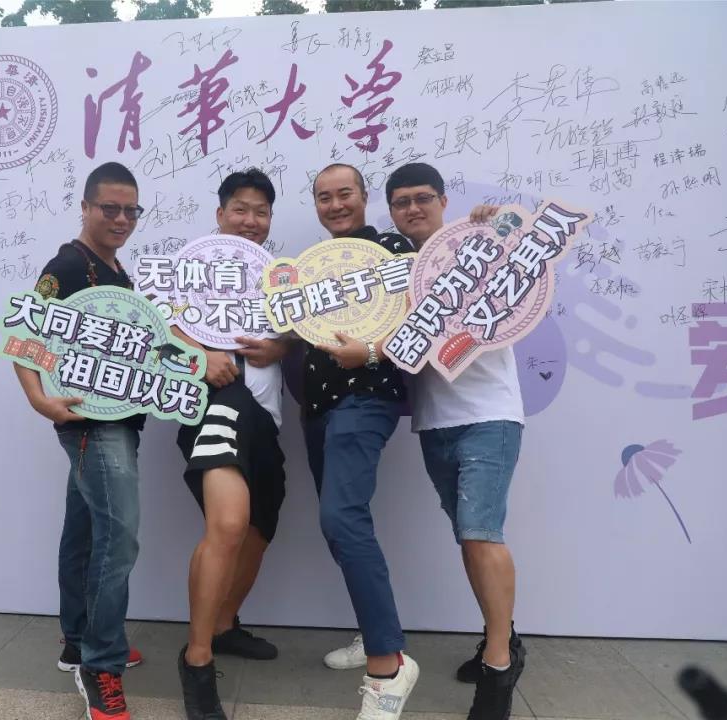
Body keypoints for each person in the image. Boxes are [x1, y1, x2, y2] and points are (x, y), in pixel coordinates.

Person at [386, 162, 526, 720]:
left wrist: (497, 228)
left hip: (489, 415)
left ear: (444, 201)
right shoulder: (398, 268)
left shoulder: (480, 249)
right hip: (434, 421)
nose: (413, 208)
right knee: (468, 538)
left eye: (423, 198)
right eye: (401, 202)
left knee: (480, 534)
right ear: (392, 212)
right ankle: (503, 637)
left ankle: (499, 667)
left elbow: (525, 253)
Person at [13, 161, 146, 720]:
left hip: (120, 420)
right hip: (92, 425)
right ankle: (101, 665)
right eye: (109, 208)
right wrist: (38, 399)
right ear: (86, 207)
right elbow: (23, 335)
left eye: (130, 210)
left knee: (86, 532)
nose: (121, 219)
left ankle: (77, 641)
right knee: (119, 540)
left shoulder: (115, 270)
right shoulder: (68, 265)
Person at [172, 169, 291, 720]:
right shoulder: (188, 270)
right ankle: (196, 659)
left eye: (261, 211)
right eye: (240, 209)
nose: (250, 220)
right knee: (227, 525)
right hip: (217, 404)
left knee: (260, 528)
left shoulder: (280, 277)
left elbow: (298, 334)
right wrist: (199, 355)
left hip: (266, 417)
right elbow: (155, 325)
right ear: (220, 214)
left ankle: (223, 626)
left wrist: (282, 348)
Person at [304, 164, 420, 720]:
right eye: (323, 197)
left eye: (344, 193)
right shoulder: (314, 265)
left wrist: (370, 352)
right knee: (340, 522)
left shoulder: (393, 248)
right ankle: (374, 630)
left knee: (341, 517)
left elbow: (425, 317)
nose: (335, 205)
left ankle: (388, 664)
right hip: (317, 409)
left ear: (365, 196)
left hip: (366, 398)